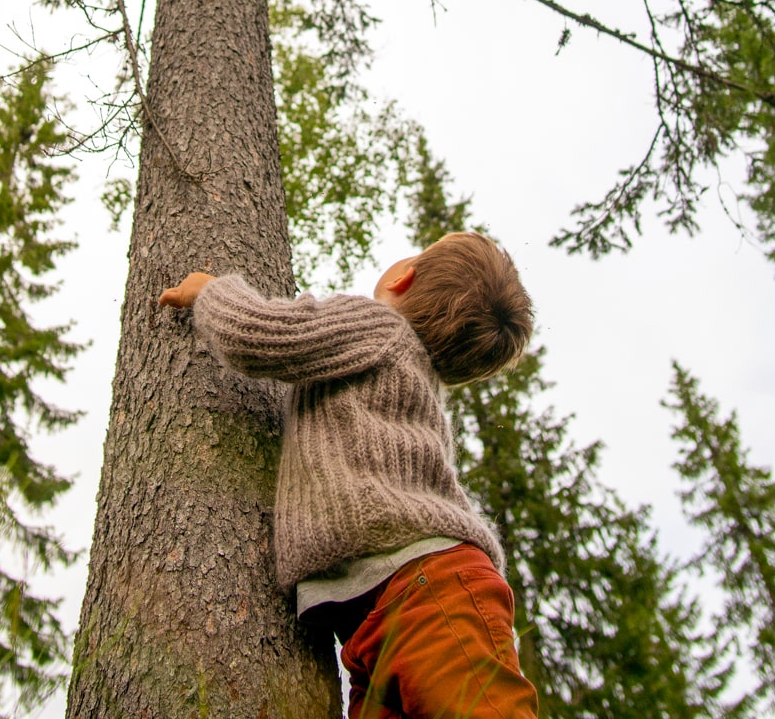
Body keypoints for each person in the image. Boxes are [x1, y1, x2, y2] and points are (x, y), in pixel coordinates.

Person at [160, 232, 538, 719]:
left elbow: (261, 331)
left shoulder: (381, 329)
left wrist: (209, 292)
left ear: (405, 276)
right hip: (378, 623)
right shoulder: (407, 382)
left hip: (429, 591)